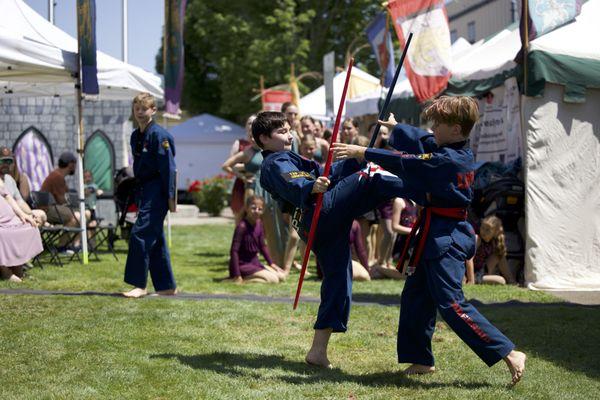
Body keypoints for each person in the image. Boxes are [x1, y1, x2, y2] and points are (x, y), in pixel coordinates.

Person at [332, 96, 526, 385]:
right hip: (434, 234)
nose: (433, 127)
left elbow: (409, 161)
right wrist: (397, 130)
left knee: (451, 304)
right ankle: (420, 359)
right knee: (416, 297)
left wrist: (365, 152)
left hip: (447, 238)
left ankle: (508, 351)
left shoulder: (448, 160)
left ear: (457, 130)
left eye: (439, 123)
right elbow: (424, 141)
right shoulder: (453, 149)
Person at [254, 111, 420, 369]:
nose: (290, 135)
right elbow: (293, 181)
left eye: (289, 129)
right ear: (263, 138)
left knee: (339, 281)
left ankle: (317, 351)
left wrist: (356, 156)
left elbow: (323, 172)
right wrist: (311, 187)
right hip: (320, 211)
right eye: (282, 132)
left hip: (320, 222)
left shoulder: (288, 157)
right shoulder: (274, 162)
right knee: (372, 175)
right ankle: (426, 188)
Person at [122, 92, 177, 298]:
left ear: (153, 110)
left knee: (140, 234)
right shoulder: (136, 136)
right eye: (137, 109)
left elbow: (169, 169)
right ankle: (166, 286)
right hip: (143, 189)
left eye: (144, 109)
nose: (140, 113)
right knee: (155, 239)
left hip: (157, 191)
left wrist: (170, 198)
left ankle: (139, 285)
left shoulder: (160, 136)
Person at [227, 195, 286, 283]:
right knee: (274, 280)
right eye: (253, 208)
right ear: (246, 208)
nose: (256, 211)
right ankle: (239, 279)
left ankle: (248, 277)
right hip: (243, 265)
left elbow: (262, 246)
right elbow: (234, 251)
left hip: (255, 263)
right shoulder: (242, 227)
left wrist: (272, 264)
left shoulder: (259, 224)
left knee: (282, 276)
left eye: (260, 209)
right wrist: (237, 274)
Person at [41, 152, 90, 251]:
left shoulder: (59, 176)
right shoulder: (56, 177)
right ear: (70, 164)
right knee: (78, 216)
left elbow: (65, 199)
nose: (75, 167)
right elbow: (61, 200)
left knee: (86, 213)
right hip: (47, 209)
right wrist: (74, 201)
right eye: (75, 164)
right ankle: (61, 246)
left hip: (56, 208)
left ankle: (74, 244)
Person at [0, 179, 42, 282]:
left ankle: (17, 268)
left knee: (29, 226)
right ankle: (5, 272)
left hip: (10, 220)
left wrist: (23, 214)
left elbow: (8, 197)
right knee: (2, 234)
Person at [466, 215, 515, 285]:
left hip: (481, 271)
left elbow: (500, 256)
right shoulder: (477, 239)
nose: (484, 232)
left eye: (488, 230)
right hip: (471, 273)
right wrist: (471, 280)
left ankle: (511, 280)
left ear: (495, 232)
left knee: (499, 254)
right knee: (501, 281)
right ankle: (475, 280)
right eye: (482, 228)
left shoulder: (494, 242)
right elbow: (468, 259)